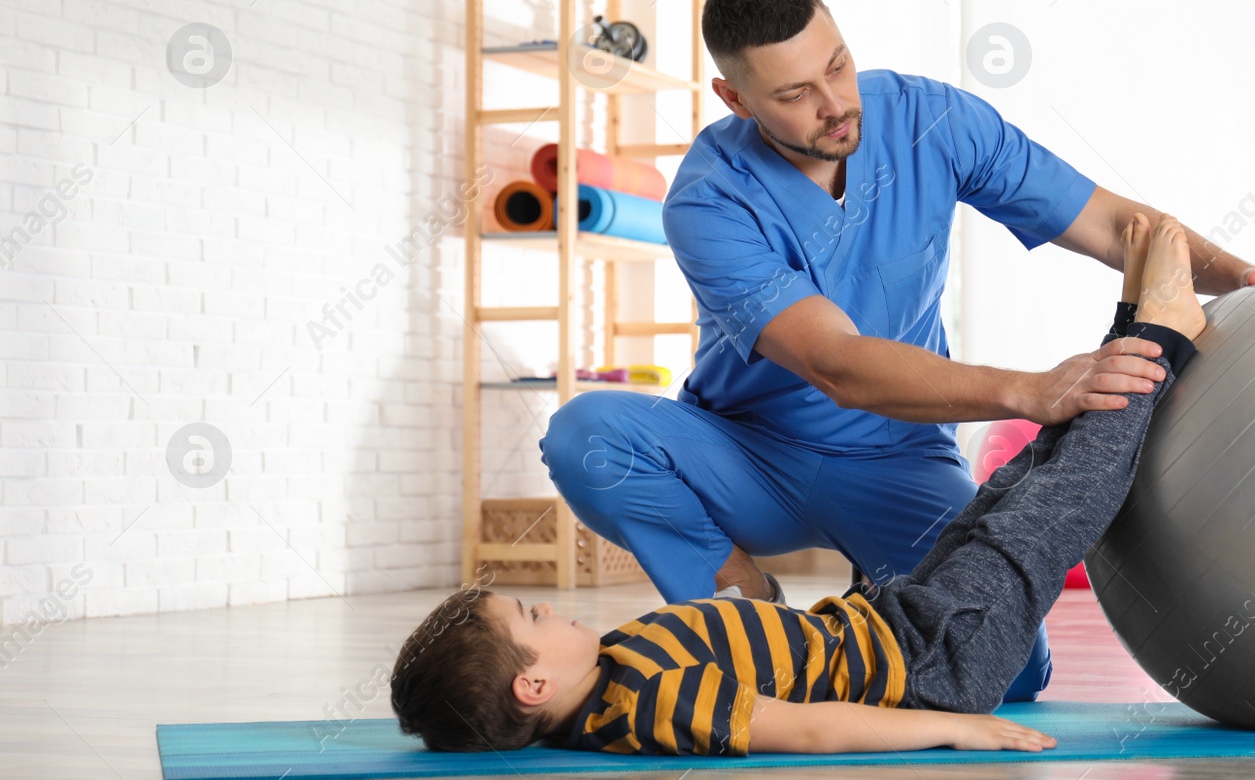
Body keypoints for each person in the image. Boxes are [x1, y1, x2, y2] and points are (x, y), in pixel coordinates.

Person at [539, 0, 1255, 703]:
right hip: (748, 455)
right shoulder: (708, 197)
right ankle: (740, 605)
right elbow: (837, 363)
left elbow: (1121, 226)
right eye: (794, 93)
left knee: (1008, 672)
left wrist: (1247, 277)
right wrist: (1030, 389)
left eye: (836, 65)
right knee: (586, 432)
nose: (834, 104)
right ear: (735, 98)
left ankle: (867, 617)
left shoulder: (927, 120)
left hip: (897, 455)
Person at [391, 213, 1207, 755]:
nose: (556, 609)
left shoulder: (610, 669)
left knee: (1010, 495)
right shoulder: (642, 703)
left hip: (897, 620)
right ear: (533, 685)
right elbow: (808, 728)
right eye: (534, 616)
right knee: (1048, 511)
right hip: (936, 662)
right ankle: (1165, 336)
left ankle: (1129, 327)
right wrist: (954, 732)